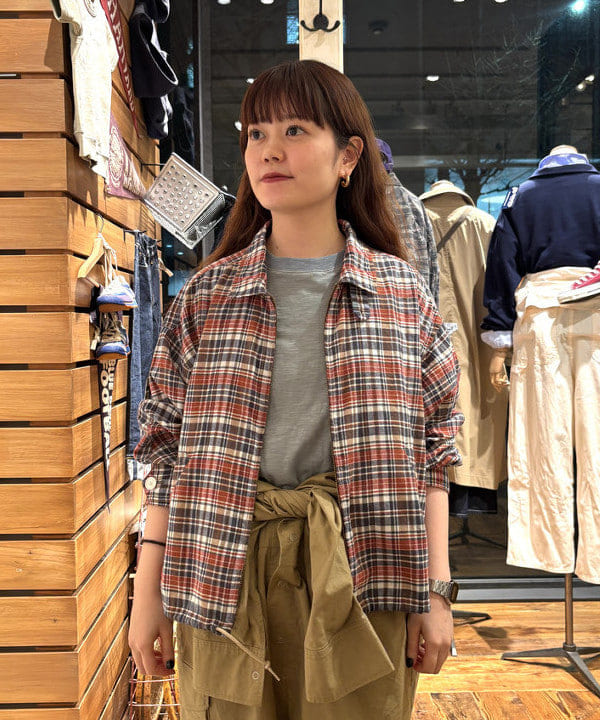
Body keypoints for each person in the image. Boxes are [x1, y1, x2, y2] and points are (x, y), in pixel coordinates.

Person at [129, 59, 463, 720]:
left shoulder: (402, 296)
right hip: (222, 573)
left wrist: (436, 591)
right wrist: (148, 593)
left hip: (364, 574)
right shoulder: (207, 296)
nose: (268, 150)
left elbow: (433, 453)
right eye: (255, 133)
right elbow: (166, 453)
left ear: (349, 157)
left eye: (294, 130)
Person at [376, 138, 440, 303]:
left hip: (378, 305)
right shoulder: (414, 203)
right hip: (414, 304)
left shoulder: (357, 202)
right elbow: (432, 265)